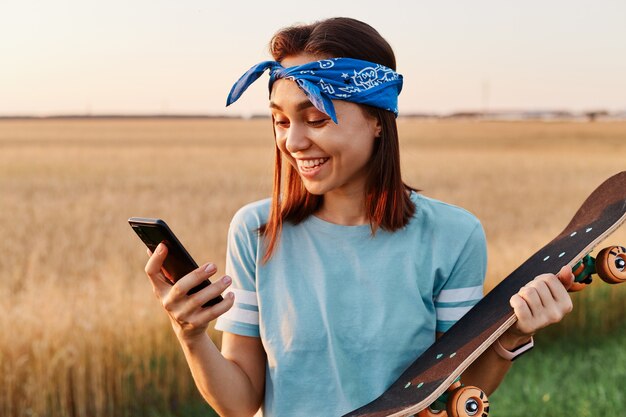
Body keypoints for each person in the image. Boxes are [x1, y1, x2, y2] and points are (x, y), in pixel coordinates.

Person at [144, 17, 574, 417]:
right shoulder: (256, 232)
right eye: (279, 121)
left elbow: (455, 393)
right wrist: (191, 334)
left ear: (377, 121)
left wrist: (511, 339)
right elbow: (238, 404)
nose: (292, 141)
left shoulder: (454, 236)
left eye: (316, 118)